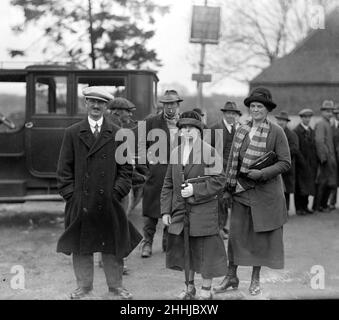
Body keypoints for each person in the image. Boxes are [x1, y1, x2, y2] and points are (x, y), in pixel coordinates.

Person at [56, 86, 142, 300]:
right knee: (81, 245)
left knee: (112, 245)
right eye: (92, 101)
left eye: (101, 103)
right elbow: (63, 170)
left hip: (110, 200)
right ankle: (84, 288)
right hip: (81, 200)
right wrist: (72, 195)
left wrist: (117, 193)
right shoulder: (73, 132)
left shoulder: (118, 134)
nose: (96, 106)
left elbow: (125, 170)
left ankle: (116, 288)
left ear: (106, 107)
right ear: (86, 103)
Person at [213, 87, 290, 296]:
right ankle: (231, 276)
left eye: (260, 106)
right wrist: (228, 188)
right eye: (253, 106)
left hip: (265, 195)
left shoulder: (276, 131)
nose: (255, 109)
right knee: (236, 236)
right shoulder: (241, 129)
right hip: (241, 191)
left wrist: (262, 173)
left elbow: (285, 162)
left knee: (259, 239)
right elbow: (232, 162)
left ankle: (255, 279)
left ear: (267, 110)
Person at [161, 111, 227, 300]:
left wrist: (195, 190)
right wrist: (165, 210)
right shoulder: (175, 152)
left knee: (205, 251)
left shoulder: (209, 151)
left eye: (191, 128)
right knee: (186, 250)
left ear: (199, 131)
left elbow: (219, 180)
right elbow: (167, 183)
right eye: (183, 129)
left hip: (203, 210)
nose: (186, 132)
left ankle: (206, 289)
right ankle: (189, 288)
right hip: (180, 210)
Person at [139, 89, 183, 258]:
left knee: (173, 206)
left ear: (178, 105)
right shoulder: (152, 121)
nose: (170, 107)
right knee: (151, 208)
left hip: (177, 171)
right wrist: (146, 166)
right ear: (162, 105)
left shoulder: (184, 123)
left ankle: (167, 240)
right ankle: (147, 242)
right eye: (166, 104)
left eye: (173, 104)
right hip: (156, 172)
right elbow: (140, 143)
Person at [211, 101, 241, 239]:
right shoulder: (215, 128)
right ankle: (218, 228)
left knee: (229, 200)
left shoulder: (237, 130)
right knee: (220, 201)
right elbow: (211, 153)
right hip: (219, 170)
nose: (231, 116)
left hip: (233, 171)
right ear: (224, 114)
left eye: (233, 113)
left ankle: (224, 226)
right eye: (229, 113)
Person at [313, 100, 337, 212]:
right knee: (322, 183)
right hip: (325, 159)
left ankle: (323, 205)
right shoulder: (322, 123)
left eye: (331, 111)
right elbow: (319, 141)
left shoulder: (328, 123)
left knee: (328, 183)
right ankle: (317, 206)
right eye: (327, 111)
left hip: (330, 158)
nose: (329, 113)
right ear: (322, 112)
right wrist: (323, 158)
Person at [293, 109, 318, 215]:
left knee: (308, 185)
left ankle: (305, 206)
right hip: (300, 164)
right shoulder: (296, 131)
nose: (307, 119)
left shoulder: (311, 131)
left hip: (310, 164)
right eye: (305, 117)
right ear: (301, 118)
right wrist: (302, 161)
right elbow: (296, 149)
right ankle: (299, 208)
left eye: (309, 117)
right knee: (299, 186)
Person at [275, 111, 300, 212]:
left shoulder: (292, 134)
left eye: (283, 120)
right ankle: (278, 212)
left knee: (286, 191)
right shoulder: (274, 132)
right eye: (279, 120)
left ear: (286, 122)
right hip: (276, 167)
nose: (281, 122)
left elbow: (295, 149)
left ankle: (286, 211)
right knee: (277, 191)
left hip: (287, 168)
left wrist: (281, 152)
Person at [329, 105, 339, 209]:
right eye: (337, 113)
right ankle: (332, 202)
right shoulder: (331, 127)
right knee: (333, 181)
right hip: (334, 159)